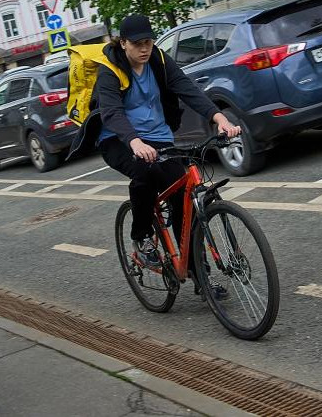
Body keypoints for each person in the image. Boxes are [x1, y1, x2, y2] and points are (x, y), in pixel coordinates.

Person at [68, 14, 241, 270]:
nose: (144, 48)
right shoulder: (109, 70)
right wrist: (134, 141)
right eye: (137, 43)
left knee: (182, 195)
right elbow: (112, 112)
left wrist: (219, 118)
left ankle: (197, 272)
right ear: (123, 43)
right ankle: (142, 238)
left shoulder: (159, 60)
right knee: (145, 171)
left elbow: (187, 88)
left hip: (158, 137)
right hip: (118, 139)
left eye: (148, 41)